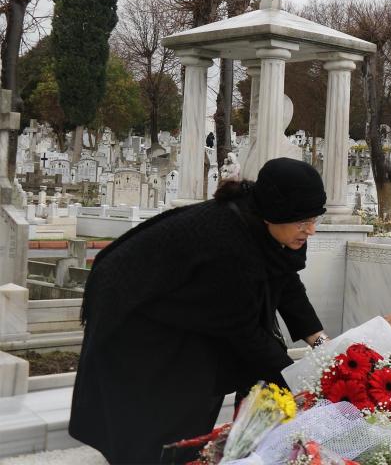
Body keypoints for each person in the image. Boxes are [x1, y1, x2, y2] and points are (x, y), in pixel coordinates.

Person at [69, 158, 330, 464]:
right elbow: (246, 335)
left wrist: (325, 349)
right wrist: (300, 384)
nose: (311, 230)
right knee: (164, 415)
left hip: (180, 308)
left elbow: (285, 281)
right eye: (303, 221)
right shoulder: (229, 245)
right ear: (275, 214)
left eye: (314, 219)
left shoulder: (271, 226)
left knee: (202, 387)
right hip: (137, 316)